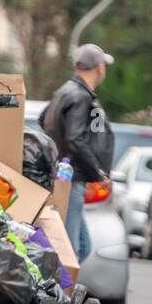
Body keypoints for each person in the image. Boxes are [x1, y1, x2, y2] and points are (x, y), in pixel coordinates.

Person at [42, 43, 116, 262]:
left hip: (64, 176)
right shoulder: (81, 97)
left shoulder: (64, 91)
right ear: (100, 68)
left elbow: (43, 119)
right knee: (71, 249)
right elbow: (76, 138)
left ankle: (61, 290)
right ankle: (61, 294)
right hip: (71, 179)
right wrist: (98, 173)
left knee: (82, 246)